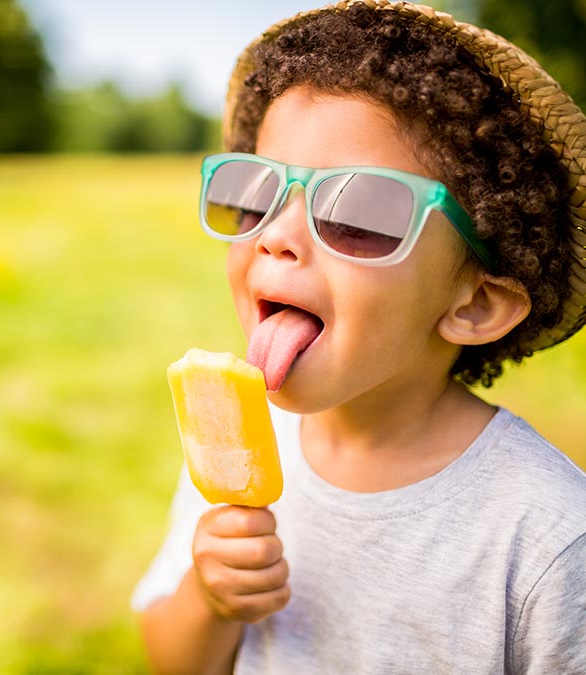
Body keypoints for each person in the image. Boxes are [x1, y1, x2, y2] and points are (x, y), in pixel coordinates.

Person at [131, 1, 586, 673]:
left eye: (360, 211)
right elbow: (174, 662)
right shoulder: (235, 450)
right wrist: (209, 597)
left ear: (477, 303)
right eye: (257, 192)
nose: (277, 236)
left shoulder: (545, 535)